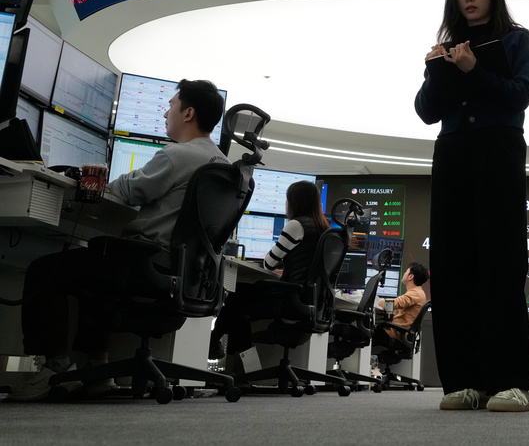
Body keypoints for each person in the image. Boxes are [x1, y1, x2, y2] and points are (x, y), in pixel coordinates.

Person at [12, 79, 227, 401]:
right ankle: (97, 370)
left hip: (150, 263)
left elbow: (126, 191)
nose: (166, 112)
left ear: (188, 113)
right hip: (184, 273)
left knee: (46, 270)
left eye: (171, 105)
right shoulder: (224, 166)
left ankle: (55, 368)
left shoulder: (178, 155)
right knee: (99, 263)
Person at [414, 0, 529, 413]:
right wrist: (437, 69)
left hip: (498, 151)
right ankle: (463, 381)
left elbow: (519, 95)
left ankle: (511, 383)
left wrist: (473, 69)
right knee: (452, 267)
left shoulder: (517, 39)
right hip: (452, 153)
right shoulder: (448, 48)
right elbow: (425, 111)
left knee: (501, 265)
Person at [209, 180, 329, 373]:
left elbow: (269, 263)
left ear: (294, 202)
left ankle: (220, 349)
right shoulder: (324, 228)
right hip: (310, 299)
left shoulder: (296, 225)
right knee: (239, 304)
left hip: (291, 299)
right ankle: (237, 366)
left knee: (236, 299)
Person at [371, 262, 429, 348]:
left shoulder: (416, 294)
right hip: (398, 334)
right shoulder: (417, 292)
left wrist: (376, 301)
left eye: (406, 272)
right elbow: (399, 304)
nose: (404, 273)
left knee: (361, 334)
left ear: (410, 277)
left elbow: (394, 304)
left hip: (395, 335)